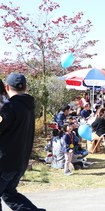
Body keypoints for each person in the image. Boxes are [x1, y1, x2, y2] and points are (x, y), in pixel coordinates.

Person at [0, 73, 45, 210]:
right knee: (10, 194)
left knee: (9, 194)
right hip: (19, 164)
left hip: (4, 164)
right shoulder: (28, 107)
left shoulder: (10, 108)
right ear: (25, 87)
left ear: (7, 87)